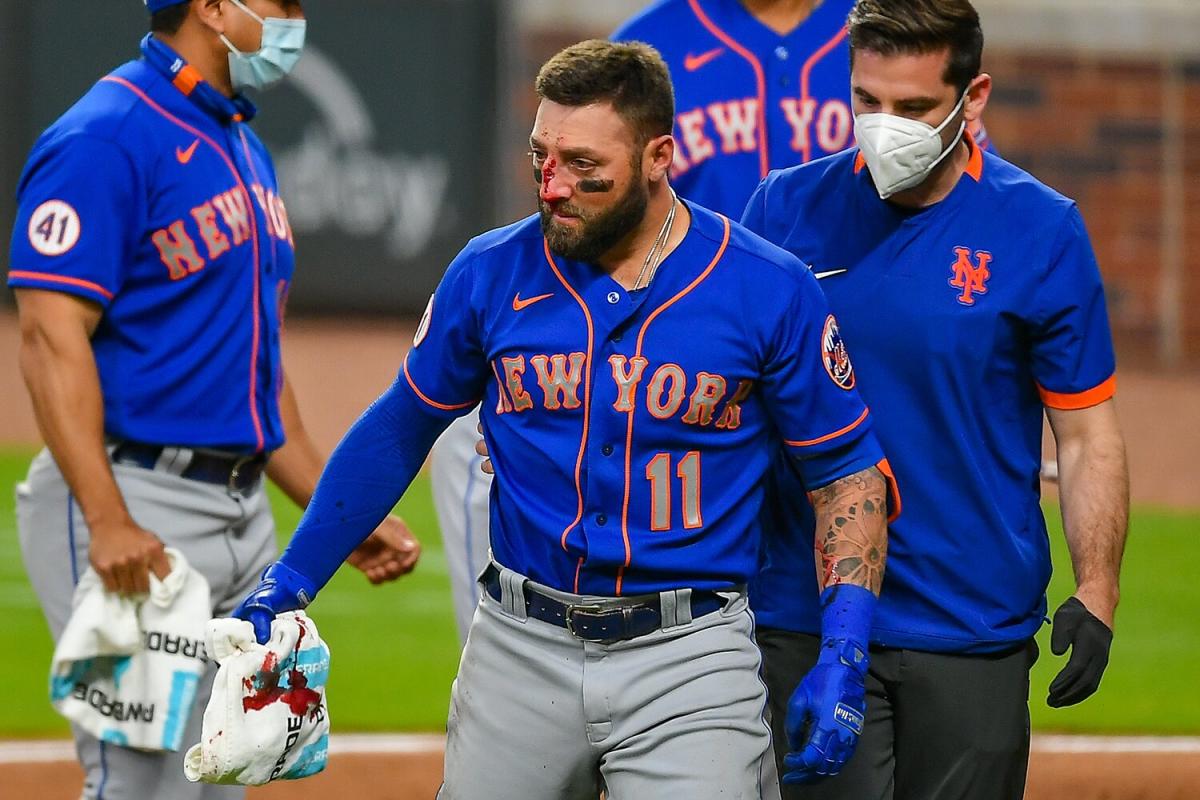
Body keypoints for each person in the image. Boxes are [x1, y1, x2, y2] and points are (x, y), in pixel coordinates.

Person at [231, 39, 899, 798]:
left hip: (691, 656)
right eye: (540, 156)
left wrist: (843, 651)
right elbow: (399, 426)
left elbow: (845, 476)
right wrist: (290, 581)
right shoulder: (490, 271)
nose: (553, 186)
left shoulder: (766, 288)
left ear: (658, 158)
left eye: (584, 165)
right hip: (520, 648)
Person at [9, 2, 419, 797]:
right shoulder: (108, 134)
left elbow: (256, 374)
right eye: (280, 5)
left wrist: (338, 514)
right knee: (140, 783)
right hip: (137, 501)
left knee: (224, 773)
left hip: (242, 513)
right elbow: (48, 334)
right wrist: (106, 518)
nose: (296, 18)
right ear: (210, 7)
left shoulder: (241, 141)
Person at [740, 0, 1130, 796]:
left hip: (970, 619)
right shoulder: (782, 210)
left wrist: (1098, 588)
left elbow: (1086, 434)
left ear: (973, 97)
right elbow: (731, 407)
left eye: (914, 108)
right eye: (867, 103)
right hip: (805, 619)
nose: (886, 126)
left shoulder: (1041, 231)